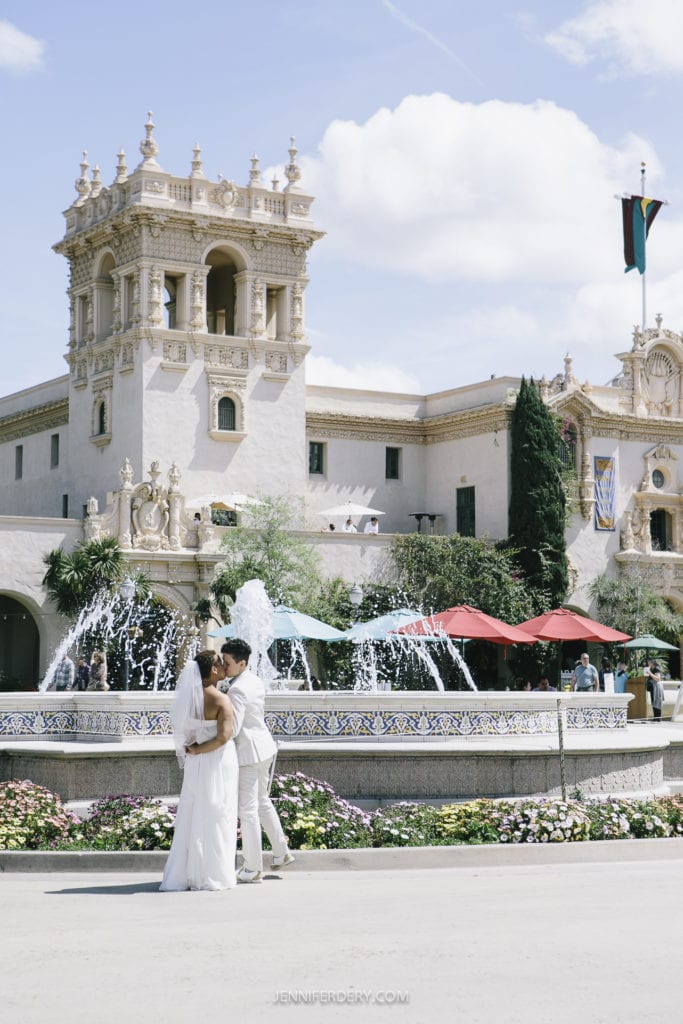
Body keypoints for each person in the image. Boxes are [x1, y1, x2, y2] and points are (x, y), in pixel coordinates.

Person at [160, 650, 238, 891]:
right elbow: (224, 737)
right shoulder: (221, 700)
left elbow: (184, 731)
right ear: (213, 670)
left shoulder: (190, 699)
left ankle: (188, 873)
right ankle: (214, 873)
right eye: (220, 664)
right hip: (216, 761)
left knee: (193, 813)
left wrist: (193, 750)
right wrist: (202, 748)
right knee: (218, 812)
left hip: (195, 762)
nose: (225, 667)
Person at [221, 638, 294, 883]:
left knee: (248, 810)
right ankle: (281, 853)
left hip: (249, 752)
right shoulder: (253, 680)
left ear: (241, 663)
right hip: (264, 747)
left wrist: (212, 737)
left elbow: (235, 726)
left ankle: (252, 868)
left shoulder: (237, 688)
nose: (223, 665)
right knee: (262, 802)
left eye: (227, 662)